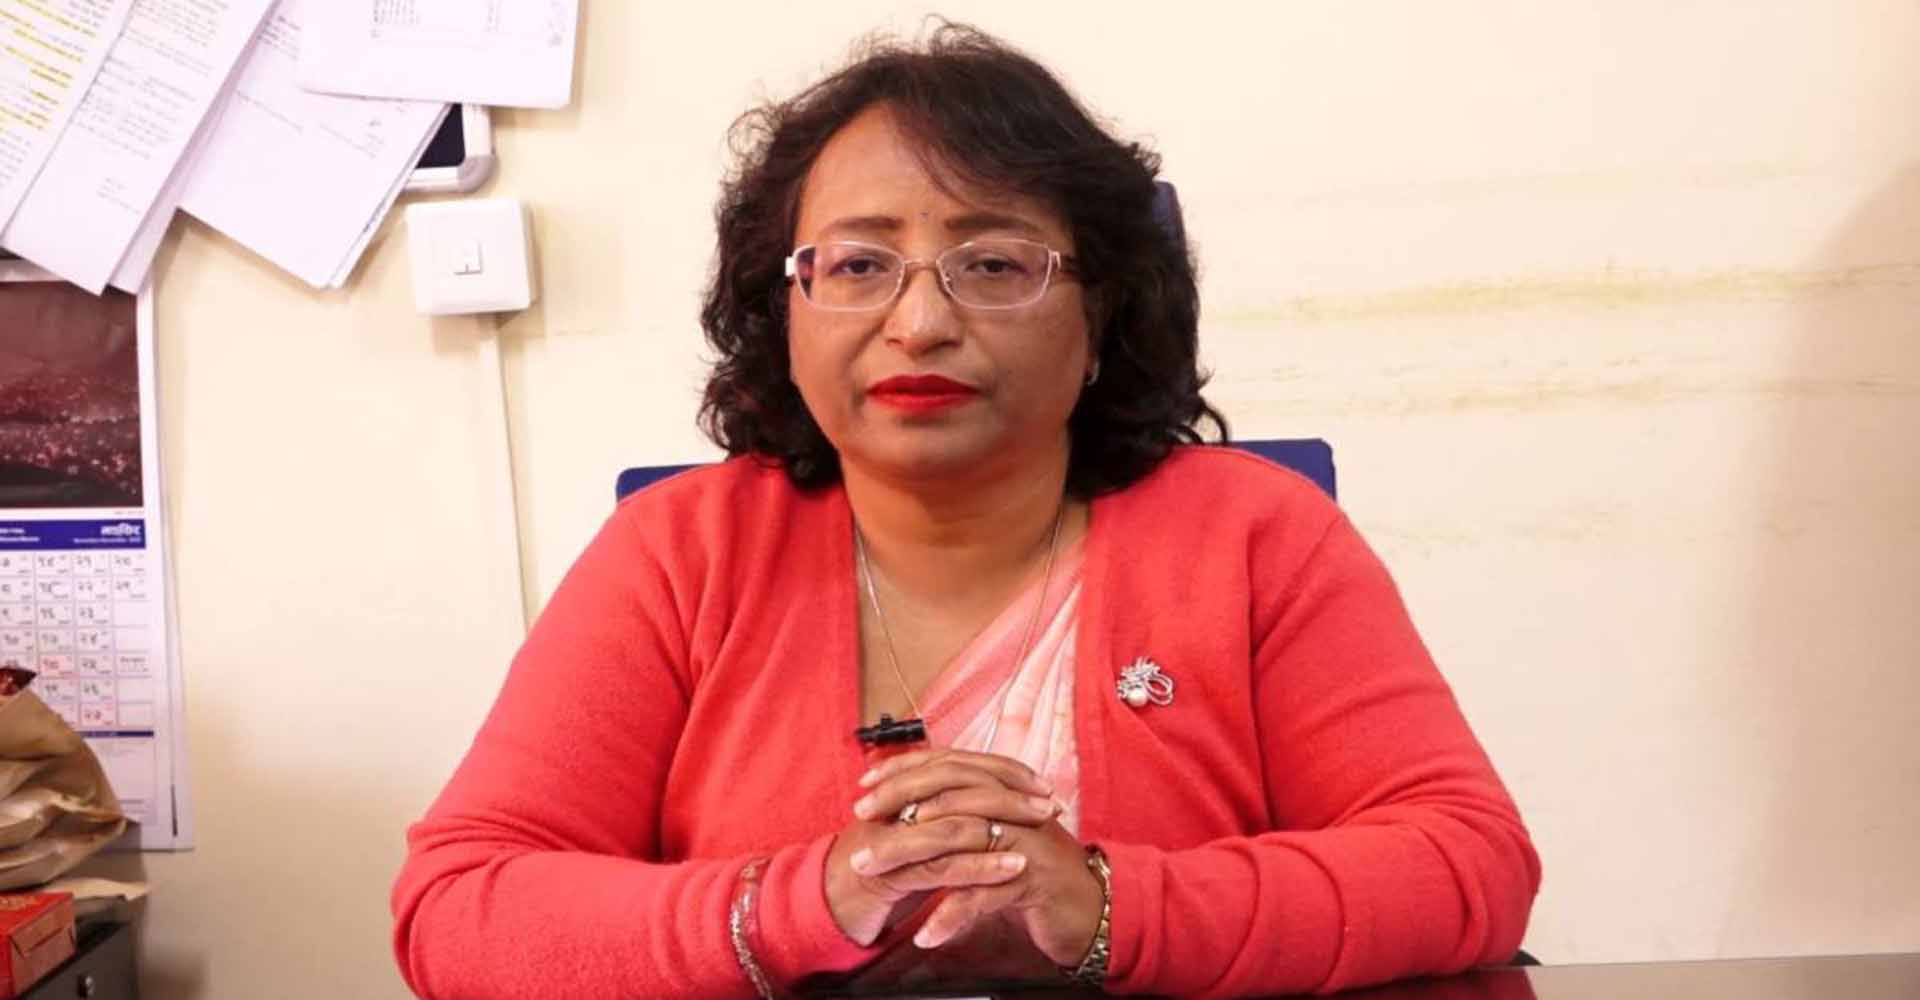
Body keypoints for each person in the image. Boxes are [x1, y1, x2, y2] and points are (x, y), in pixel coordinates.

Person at [391, 23, 1540, 1000]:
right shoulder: (678, 553)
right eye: (858, 265)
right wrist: (803, 901)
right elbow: (459, 904)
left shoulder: (1255, 535)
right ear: (784, 312)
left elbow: (1467, 861)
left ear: (1101, 316)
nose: (920, 322)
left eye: (993, 264)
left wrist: (1102, 905)